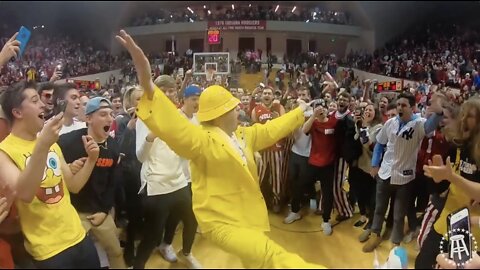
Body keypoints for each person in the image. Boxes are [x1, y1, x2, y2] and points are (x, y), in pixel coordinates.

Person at [116, 29, 323, 269]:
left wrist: (300, 113)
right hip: (222, 222)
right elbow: (173, 126)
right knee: (271, 256)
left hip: (246, 216)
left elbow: (269, 130)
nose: (239, 109)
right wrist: (147, 80)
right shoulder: (201, 140)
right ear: (221, 113)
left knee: (254, 263)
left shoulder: (242, 134)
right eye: (234, 107)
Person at [0, 80, 100, 268]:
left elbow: (73, 186)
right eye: (35, 100)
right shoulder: (4, 152)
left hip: (78, 235)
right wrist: (43, 145)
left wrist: (92, 160)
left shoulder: (51, 142)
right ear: (17, 112)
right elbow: (25, 194)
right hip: (48, 251)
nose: (43, 104)